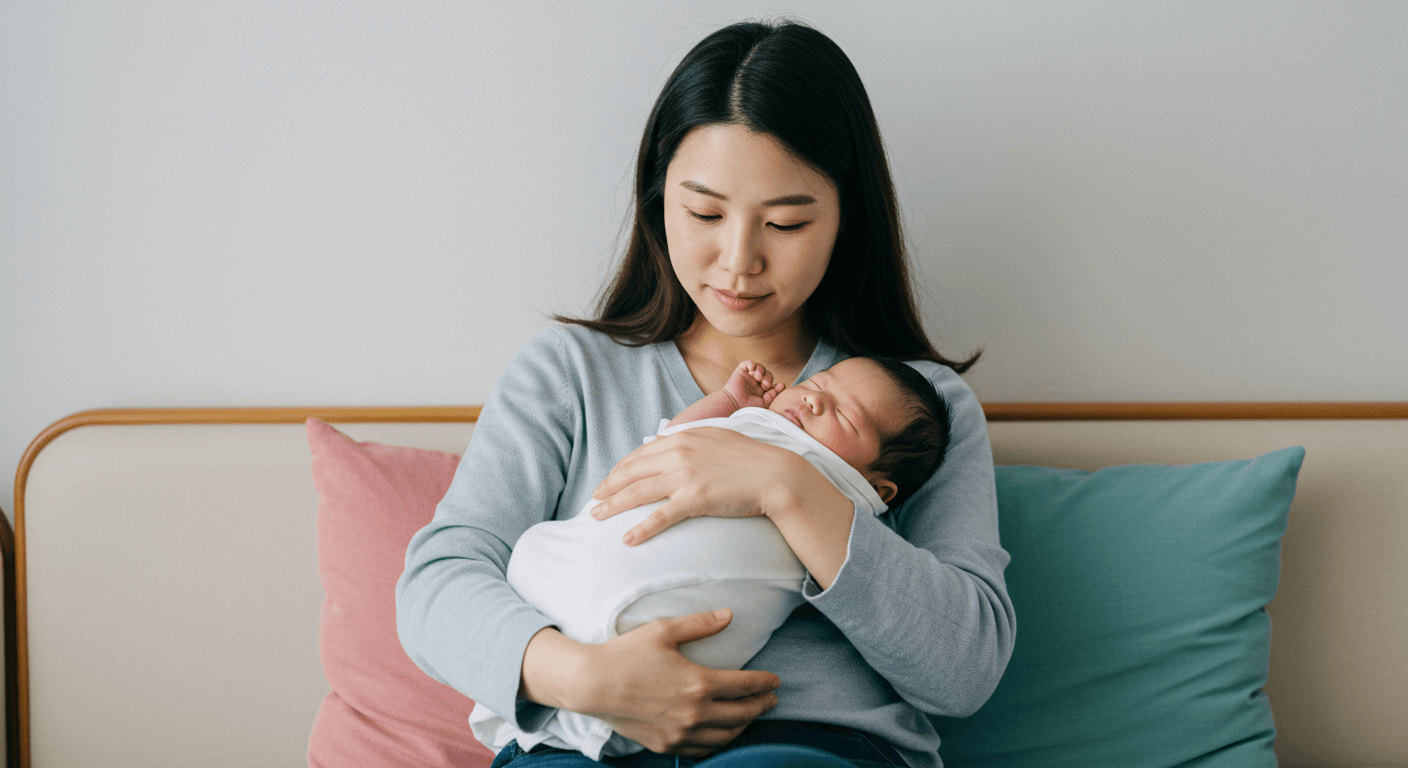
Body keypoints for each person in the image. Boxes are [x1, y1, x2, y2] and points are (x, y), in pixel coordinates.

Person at [397, 19, 1014, 768]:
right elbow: (437, 586)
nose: (738, 261)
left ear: (845, 216)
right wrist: (588, 678)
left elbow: (966, 669)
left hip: (807, 747)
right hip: (577, 741)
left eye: (785, 221)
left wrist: (788, 486)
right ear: (660, 198)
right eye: (705, 214)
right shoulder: (568, 373)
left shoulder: (916, 408)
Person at [470, 357, 952, 760]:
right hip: (556, 619)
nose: (813, 400)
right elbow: (673, 445)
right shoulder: (566, 368)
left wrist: (787, 486)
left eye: (845, 418)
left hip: (759, 720)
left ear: (878, 487)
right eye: (815, 384)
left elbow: (957, 664)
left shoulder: (846, 503)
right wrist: (726, 406)